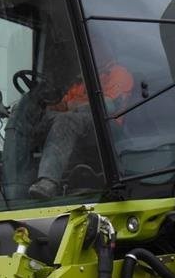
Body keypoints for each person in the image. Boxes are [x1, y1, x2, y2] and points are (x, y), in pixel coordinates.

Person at [29, 30, 133, 199]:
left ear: (107, 48)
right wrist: (43, 104)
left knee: (67, 120)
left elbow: (108, 105)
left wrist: (72, 107)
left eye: (97, 44)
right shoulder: (82, 81)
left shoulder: (119, 73)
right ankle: (14, 173)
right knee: (33, 119)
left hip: (107, 127)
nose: (93, 49)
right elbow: (62, 105)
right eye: (91, 45)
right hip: (79, 122)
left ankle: (48, 181)